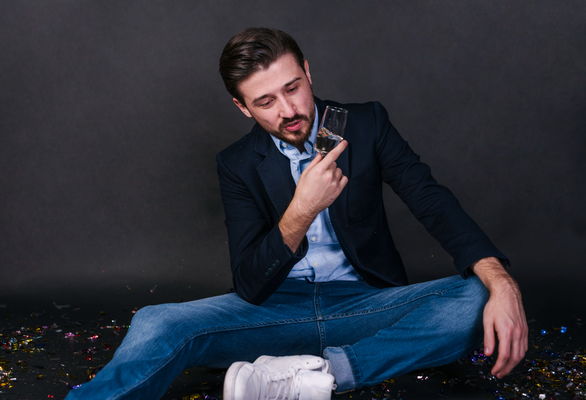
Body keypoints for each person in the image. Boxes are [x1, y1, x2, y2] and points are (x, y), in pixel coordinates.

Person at [66, 27, 528, 400]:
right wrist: (301, 211)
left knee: (478, 294)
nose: (289, 110)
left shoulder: (365, 124)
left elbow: (431, 201)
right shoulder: (237, 163)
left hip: (364, 306)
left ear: (307, 72)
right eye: (266, 102)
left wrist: (501, 282)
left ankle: (316, 377)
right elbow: (250, 283)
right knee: (156, 321)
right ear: (242, 107)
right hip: (272, 313)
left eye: (293, 88)